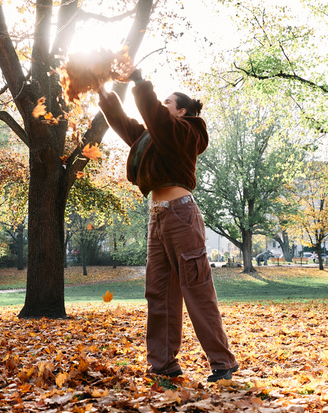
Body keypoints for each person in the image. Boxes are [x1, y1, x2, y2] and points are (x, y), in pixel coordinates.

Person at [97, 69, 238, 382]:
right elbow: (123, 123)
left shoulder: (187, 132)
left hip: (181, 215)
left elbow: (158, 119)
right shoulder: (153, 138)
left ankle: (222, 362)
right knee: (158, 292)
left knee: (196, 288)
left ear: (182, 111)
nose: (161, 106)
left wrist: (139, 82)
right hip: (157, 218)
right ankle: (163, 365)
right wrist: (101, 91)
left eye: (167, 102)